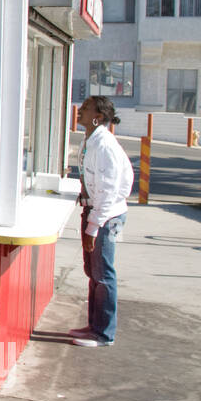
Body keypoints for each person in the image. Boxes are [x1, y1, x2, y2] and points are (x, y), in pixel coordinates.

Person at [70, 96, 133, 347]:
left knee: (103, 274)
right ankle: (94, 326)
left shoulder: (104, 145)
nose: (81, 111)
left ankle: (103, 334)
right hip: (95, 212)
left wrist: (93, 227)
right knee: (93, 272)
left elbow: (109, 191)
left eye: (86, 108)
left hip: (106, 216)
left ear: (98, 116)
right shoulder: (91, 140)